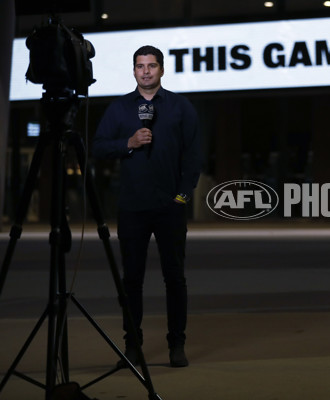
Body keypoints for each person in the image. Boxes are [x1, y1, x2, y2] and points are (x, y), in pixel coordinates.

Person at [93, 45, 203, 368]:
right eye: (140, 66)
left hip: (170, 206)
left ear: (161, 70)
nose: (145, 71)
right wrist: (128, 143)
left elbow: (194, 156)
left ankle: (176, 344)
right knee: (132, 280)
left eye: (151, 65)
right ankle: (132, 346)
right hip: (132, 207)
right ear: (134, 70)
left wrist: (182, 196)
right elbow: (98, 147)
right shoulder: (119, 109)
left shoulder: (182, 108)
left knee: (175, 278)